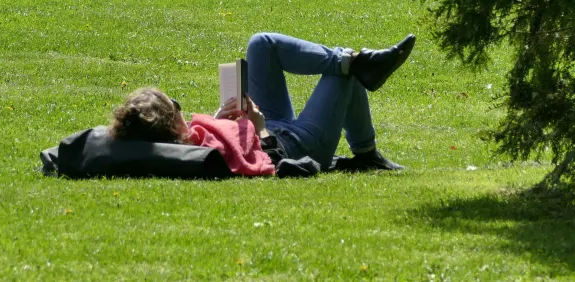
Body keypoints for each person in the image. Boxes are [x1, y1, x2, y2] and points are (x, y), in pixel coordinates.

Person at [108, 31, 416, 175]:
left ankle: (352, 60)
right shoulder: (204, 156)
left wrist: (219, 120)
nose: (181, 109)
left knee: (261, 44)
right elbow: (271, 164)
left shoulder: (189, 142)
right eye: (175, 106)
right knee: (342, 77)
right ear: (171, 126)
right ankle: (366, 151)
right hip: (298, 144)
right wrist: (260, 130)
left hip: (274, 124)